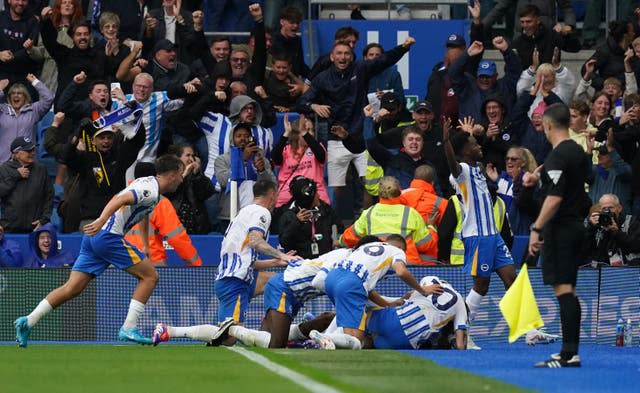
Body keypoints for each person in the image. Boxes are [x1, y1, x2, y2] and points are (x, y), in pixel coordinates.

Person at [14, 155, 186, 347]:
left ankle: (28, 321)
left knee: (72, 288)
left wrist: (145, 244)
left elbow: (142, 212)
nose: (181, 179)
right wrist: (101, 221)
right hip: (107, 237)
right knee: (151, 276)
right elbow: (120, 199)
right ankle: (129, 327)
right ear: (171, 175)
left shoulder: (149, 188)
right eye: (180, 174)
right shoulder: (150, 190)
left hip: (94, 239)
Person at [153, 247, 353, 348]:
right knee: (267, 344)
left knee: (265, 341)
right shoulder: (344, 257)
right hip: (282, 288)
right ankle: (230, 328)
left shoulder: (351, 261)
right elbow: (321, 279)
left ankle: (169, 330)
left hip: (292, 291)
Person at [526, 103, 592, 367]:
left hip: (561, 228)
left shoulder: (558, 155)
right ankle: (568, 352)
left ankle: (569, 353)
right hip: (576, 225)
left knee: (564, 291)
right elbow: (579, 178)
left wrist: (536, 228)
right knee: (568, 290)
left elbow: (554, 198)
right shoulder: (576, 150)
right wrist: (538, 177)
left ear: (549, 125)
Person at [442, 118, 518, 347]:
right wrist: (446, 141)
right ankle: (460, 333)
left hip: (493, 236)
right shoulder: (462, 170)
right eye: (475, 144)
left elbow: (471, 147)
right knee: (481, 285)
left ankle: (530, 330)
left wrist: (468, 134)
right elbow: (453, 164)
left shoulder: (476, 168)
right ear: (464, 151)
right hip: (478, 236)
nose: (480, 146)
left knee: (511, 279)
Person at [323, 235, 441, 349]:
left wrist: (388, 305)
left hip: (332, 278)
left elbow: (368, 291)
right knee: (356, 340)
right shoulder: (397, 251)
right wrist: (422, 290)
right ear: (402, 249)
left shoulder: (371, 246)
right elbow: (401, 272)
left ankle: (324, 340)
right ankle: (324, 337)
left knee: (349, 327)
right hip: (352, 283)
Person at [312, 275, 468, 350]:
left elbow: (407, 297)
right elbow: (461, 346)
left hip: (396, 319)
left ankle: (327, 334)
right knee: (368, 343)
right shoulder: (460, 303)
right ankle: (332, 340)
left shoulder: (430, 282)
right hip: (406, 342)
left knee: (360, 313)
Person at [339, 176, 439, 265]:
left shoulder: (369, 213)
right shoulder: (410, 213)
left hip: (376, 264)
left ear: (378, 192)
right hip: (407, 265)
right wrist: (431, 227)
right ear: (400, 190)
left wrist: (339, 240)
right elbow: (425, 245)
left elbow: (349, 238)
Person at [124, 162, 202, 267]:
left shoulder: (120, 198)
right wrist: (196, 264)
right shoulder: (159, 202)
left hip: (119, 266)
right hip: (151, 265)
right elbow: (177, 238)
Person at [214, 122, 277, 229]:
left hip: (258, 214)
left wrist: (262, 171)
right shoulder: (222, 160)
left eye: (246, 136)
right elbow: (223, 181)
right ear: (232, 139)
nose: (243, 138)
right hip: (231, 215)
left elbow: (272, 185)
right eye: (238, 136)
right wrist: (242, 160)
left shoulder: (262, 160)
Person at [278, 176, 343, 259]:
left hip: (325, 261)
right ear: (308, 197)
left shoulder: (325, 208)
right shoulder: (288, 214)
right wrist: (296, 222)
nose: (319, 196)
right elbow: (284, 243)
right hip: (300, 264)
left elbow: (340, 228)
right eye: (316, 193)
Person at [0, 136, 54, 233]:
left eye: (33, 150)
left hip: (35, 228)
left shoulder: (41, 169)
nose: (33, 153)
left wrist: (44, 219)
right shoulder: (4, 169)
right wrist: (16, 175)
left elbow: (49, 196)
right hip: (10, 228)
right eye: (28, 151)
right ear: (16, 154)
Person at [0, 74, 54, 163]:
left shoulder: (33, 110)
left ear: (25, 96)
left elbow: (49, 98)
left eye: (19, 93)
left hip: (27, 162)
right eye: (13, 93)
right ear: (9, 96)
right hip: (4, 161)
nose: (15, 96)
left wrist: (35, 82)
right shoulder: (2, 110)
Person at [165, 143, 215, 234]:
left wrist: (197, 175)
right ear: (177, 158)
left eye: (193, 156)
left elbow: (207, 192)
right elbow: (167, 192)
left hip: (196, 226)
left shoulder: (197, 175)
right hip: (175, 225)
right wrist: (183, 175)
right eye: (188, 155)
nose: (191, 159)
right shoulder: (169, 175)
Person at [584, 193, 640, 266]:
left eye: (610, 208)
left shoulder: (631, 222)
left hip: (627, 269)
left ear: (619, 208)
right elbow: (583, 249)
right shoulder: (597, 224)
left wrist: (616, 232)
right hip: (601, 268)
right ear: (600, 209)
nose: (607, 211)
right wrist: (591, 227)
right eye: (604, 208)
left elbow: (636, 246)